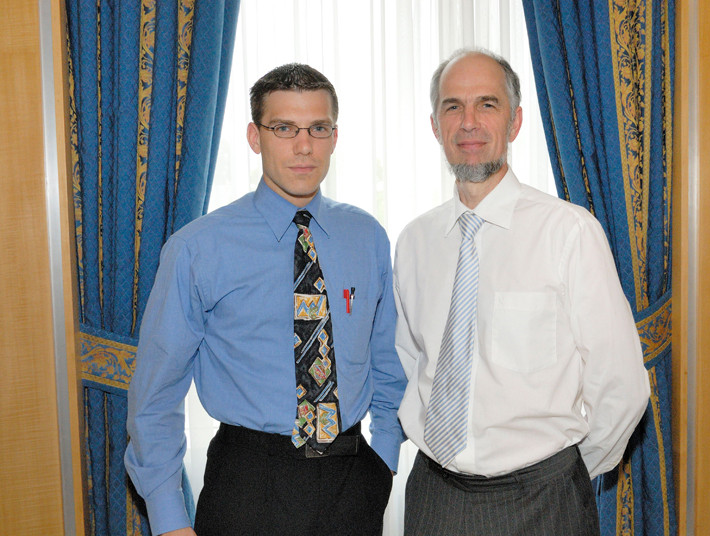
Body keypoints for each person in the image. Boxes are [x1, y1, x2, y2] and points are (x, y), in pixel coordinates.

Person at [125, 63, 406, 536]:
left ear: (334, 137)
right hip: (248, 484)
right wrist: (169, 519)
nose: (304, 145)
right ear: (255, 137)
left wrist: (385, 460)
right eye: (284, 128)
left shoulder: (367, 236)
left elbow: (387, 361)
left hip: (353, 481)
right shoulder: (197, 248)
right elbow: (156, 395)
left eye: (318, 128)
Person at [393, 49, 650, 535]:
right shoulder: (414, 242)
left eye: (487, 104)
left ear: (515, 122)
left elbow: (620, 386)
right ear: (435, 126)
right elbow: (414, 361)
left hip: (543, 500)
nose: (469, 122)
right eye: (453, 106)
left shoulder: (569, 233)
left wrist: (563, 473)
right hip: (433, 496)